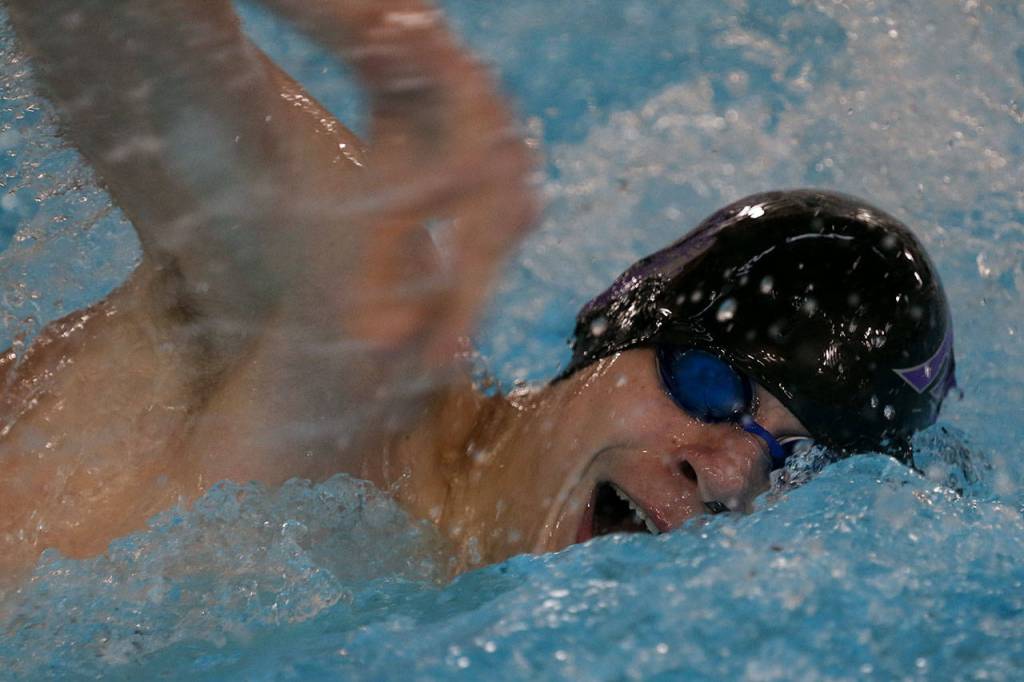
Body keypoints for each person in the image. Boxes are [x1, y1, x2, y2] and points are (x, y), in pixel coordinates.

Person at [0, 0, 956, 582]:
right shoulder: (355, 331)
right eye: (710, 384)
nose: (729, 475)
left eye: (790, 465)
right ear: (616, 327)